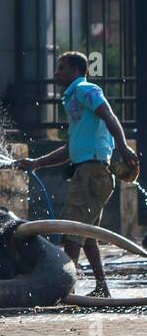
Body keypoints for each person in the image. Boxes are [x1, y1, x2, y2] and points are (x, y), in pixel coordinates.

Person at [15, 51, 139, 298]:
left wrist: (123, 147)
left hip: (92, 174)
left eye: (61, 68)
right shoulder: (73, 98)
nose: (56, 73)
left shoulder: (85, 89)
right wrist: (36, 163)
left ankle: (62, 289)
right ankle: (102, 288)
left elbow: (109, 115)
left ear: (74, 70)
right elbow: (71, 148)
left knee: (71, 234)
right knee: (88, 236)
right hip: (89, 172)